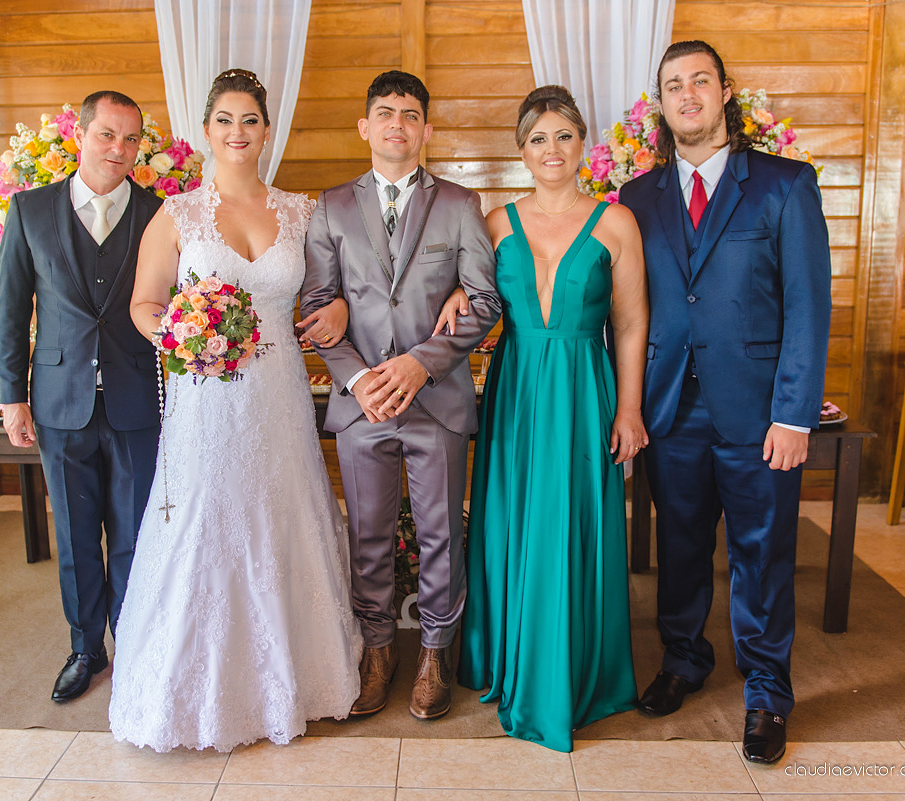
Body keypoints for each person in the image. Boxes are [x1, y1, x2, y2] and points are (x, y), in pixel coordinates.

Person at [108, 68, 362, 752]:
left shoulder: (302, 212)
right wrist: (182, 336)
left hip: (279, 394)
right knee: (204, 522)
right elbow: (144, 304)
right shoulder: (177, 215)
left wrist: (338, 308)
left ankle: (295, 680)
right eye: (225, 120)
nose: (237, 132)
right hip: (206, 398)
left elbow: (334, 290)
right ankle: (195, 693)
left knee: (283, 515)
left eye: (250, 120)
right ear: (206, 130)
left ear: (267, 130)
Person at [619, 41, 831, 764]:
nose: (687, 94)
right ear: (661, 104)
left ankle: (767, 691)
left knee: (762, 554)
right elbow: (628, 308)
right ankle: (684, 658)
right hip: (670, 409)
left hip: (760, 414)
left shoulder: (783, 184)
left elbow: (807, 307)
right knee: (679, 547)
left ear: (724, 91)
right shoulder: (637, 198)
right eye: (673, 85)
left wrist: (794, 414)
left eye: (700, 81)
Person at [301, 70, 501, 722]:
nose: (397, 124)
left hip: (435, 400)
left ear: (426, 130)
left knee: (442, 532)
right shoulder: (331, 207)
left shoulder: (460, 205)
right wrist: (360, 379)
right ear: (365, 126)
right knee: (368, 534)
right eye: (385, 112)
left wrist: (421, 364)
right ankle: (379, 649)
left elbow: (485, 302)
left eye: (410, 114)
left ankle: (436, 652)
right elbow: (317, 307)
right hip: (362, 404)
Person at [455, 86, 649, 752]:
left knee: (572, 522)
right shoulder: (494, 223)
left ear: (583, 143)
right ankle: (506, 655)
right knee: (512, 520)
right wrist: (454, 298)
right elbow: (472, 298)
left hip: (583, 389)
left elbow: (631, 322)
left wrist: (629, 408)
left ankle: (571, 669)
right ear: (522, 149)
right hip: (515, 390)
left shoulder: (617, 223)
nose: (552, 149)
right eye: (538, 138)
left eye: (564, 135)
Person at [0, 91, 163, 704]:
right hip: (58, 401)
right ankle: (86, 649)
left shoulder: (159, 214)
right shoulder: (30, 209)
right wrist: (12, 396)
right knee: (73, 535)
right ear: (80, 136)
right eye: (106, 135)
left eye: (130, 139)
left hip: (136, 400)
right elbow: (11, 309)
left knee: (135, 534)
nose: (119, 149)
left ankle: (135, 641)